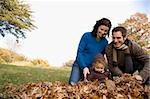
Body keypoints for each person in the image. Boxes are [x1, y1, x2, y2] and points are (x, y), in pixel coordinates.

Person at [69, 18, 112, 85]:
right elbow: (80, 52)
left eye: (106, 31)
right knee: (73, 84)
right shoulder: (86, 36)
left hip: (92, 69)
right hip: (79, 65)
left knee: (89, 86)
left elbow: (101, 58)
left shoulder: (105, 42)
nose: (103, 32)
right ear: (97, 27)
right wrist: (84, 67)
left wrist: (103, 68)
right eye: (101, 29)